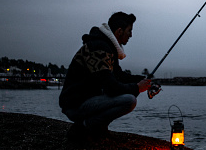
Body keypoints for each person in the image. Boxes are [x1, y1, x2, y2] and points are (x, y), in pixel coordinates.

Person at [59, 11, 151, 142]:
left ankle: (98, 128)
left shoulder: (107, 47)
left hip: (84, 100)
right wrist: (137, 88)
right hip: (75, 105)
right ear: (119, 31)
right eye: (129, 31)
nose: (131, 35)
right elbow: (111, 87)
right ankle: (84, 127)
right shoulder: (100, 48)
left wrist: (142, 80)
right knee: (129, 100)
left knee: (125, 96)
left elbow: (118, 75)